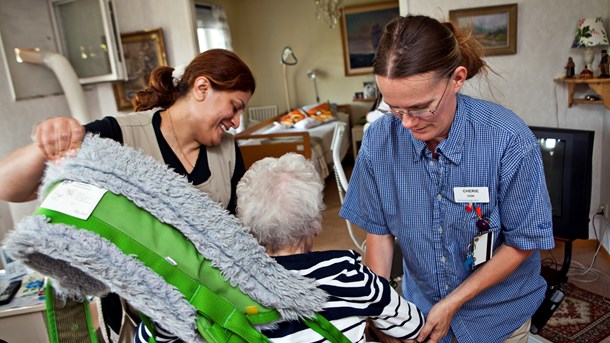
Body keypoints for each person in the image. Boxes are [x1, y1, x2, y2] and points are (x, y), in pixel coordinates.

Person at [0, 48, 255, 339]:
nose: (236, 121)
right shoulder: (118, 136)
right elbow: (7, 185)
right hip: (137, 319)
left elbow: (238, 234)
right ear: (202, 87)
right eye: (234, 106)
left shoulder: (228, 151)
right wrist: (47, 140)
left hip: (212, 311)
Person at [339, 15, 555, 343]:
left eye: (421, 107)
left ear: (457, 79)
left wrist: (452, 303)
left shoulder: (507, 139)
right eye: (395, 109)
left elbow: (521, 243)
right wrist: (379, 309)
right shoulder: (379, 142)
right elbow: (379, 235)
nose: (408, 124)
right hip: (421, 311)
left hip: (497, 315)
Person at [135, 153, 425, 343]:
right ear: (315, 223)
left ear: (245, 225)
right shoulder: (347, 274)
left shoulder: (210, 284)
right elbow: (412, 326)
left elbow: (146, 337)